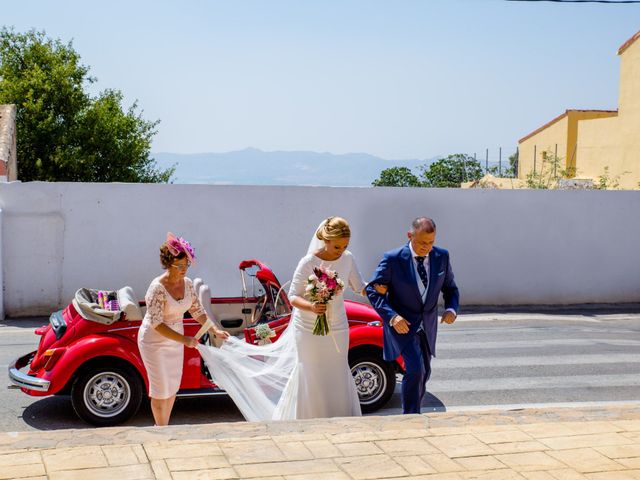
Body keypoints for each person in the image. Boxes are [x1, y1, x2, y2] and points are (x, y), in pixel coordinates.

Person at [198, 216, 367, 421]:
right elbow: (293, 296)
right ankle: (308, 417)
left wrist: (379, 288)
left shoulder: (348, 258)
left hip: (338, 325)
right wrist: (312, 307)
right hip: (307, 326)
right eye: (337, 246)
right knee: (311, 369)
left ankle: (339, 415)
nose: (341, 251)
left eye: (345, 246)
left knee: (337, 367)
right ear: (326, 240)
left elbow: (359, 287)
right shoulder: (308, 262)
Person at [366, 217, 459, 414]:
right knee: (415, 369)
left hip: (428, 325)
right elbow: (373, 291)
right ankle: (411, 416)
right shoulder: (393, 258)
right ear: (410, 236)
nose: (427, 247)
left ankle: (414, 407)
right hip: (402, 325)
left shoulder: (442, 256)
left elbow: (450, 288)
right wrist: (392, 316)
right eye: (422, 242)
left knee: (425, 372)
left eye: (431, 242)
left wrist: (451, 309)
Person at [137, 233, 228, 426]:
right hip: (154, 340)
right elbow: (157, 324)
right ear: (168, 263)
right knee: (160, 389)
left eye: (186, 265)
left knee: (171, 388)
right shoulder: (157, 288)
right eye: (180, 266)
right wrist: (185, 340)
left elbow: (198, 311)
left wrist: (214, 331)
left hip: (175, 339)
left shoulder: (187, 284)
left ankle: (164, 428)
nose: (184, 269)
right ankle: (161, 432)